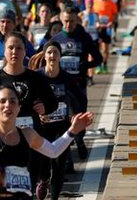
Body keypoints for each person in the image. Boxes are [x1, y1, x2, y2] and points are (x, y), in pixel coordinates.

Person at [0, 58, 94, 200]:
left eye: (13, 101)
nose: (8, 105)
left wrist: (72, 131)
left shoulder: (27, 134)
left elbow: (53, 151)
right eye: (2, 101)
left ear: (19, 108)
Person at [35, 41, 86, 200]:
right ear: (44, 55)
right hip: (42, 128)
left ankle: (55, 197)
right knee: (43, 165)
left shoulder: (66, 78)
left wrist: (75, 116)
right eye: (49, 52)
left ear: (60, 56)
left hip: (61, 127)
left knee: (59, 165)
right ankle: (43, 180)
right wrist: (36, 113)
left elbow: (80, 98)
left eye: (55, 52)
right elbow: (27, 100)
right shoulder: (37, 76)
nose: (52, 55)